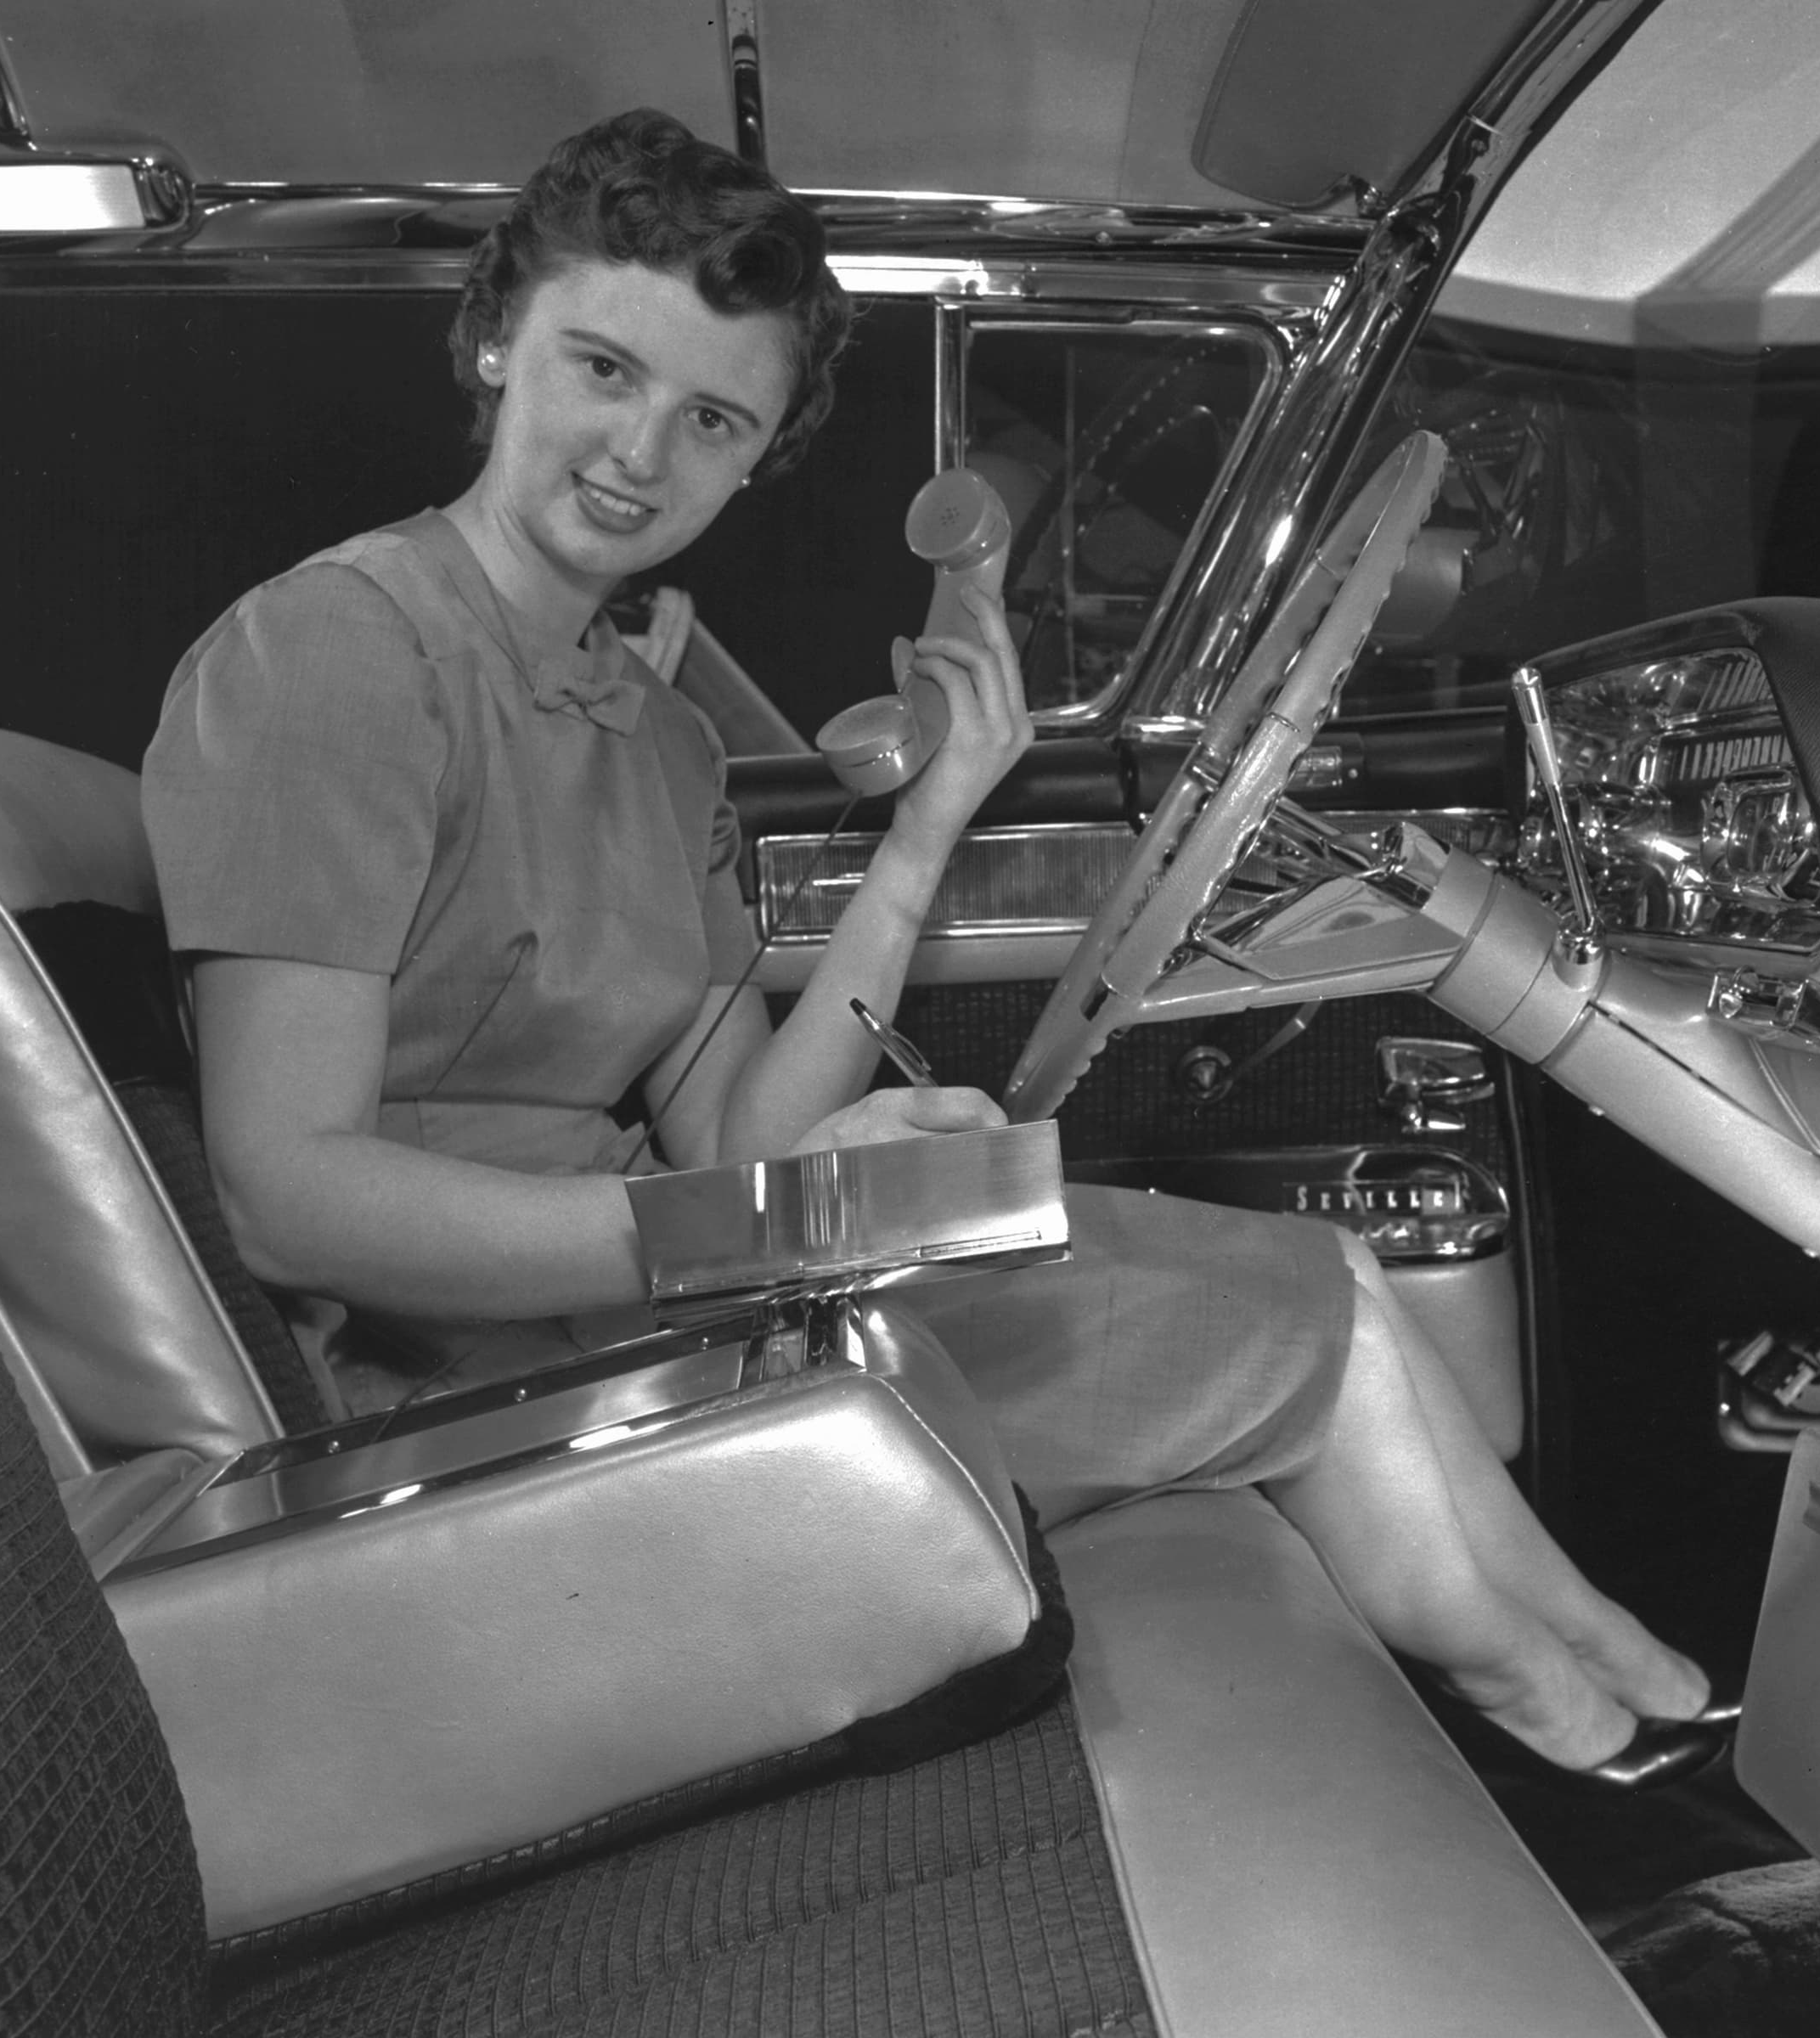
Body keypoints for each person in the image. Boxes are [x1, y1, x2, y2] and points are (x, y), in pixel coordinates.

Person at [142, 108, 1708, 1776]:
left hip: (639, 1314)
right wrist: (760, 1232)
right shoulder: (335, 657)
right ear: (493, 342)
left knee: (1326, 1272)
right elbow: (285, 1189)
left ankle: (1599, 1669)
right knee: (1294, 1337)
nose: (638, 455)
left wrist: (932, 829)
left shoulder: (653, 737)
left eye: (711, 420)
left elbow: (741, 1131)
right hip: (464, 1397)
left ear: (754, 460)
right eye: (603, 371)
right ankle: (1544, 1694)